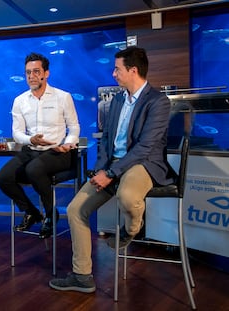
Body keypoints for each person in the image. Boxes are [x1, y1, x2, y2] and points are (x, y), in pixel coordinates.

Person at [49, 46, 172, 293]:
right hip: (111, 165)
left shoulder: (158, 102)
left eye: (117, 69)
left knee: (127, 196)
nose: (113, 73)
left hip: (142, 164)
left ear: (133, 70)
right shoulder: (116, 100)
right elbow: (105, 140)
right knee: (75, 210)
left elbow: (145, 147)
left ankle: (132, 228)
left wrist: (112, 173)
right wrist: (98, 170)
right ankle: (82, 276)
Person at [0, 52, 80, 239]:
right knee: (2, 177)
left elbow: (74, 127)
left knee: (34, 170)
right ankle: (32, 212)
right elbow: (17, 133)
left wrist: (67, 144)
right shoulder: (20, 101)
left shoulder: (63, 97)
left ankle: (50, 214)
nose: (31, 76)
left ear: (46, 73)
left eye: (36, 71)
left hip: (57, 152)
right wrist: (31, 139)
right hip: (31, 150)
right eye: (28, 72)